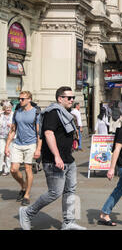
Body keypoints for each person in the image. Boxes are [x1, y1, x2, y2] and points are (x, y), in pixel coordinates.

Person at [19, 86, 86, 230]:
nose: (72, 100)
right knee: (54, 192)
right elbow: (48, 134)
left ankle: (68, 222)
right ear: (60, 98)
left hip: (68, 159)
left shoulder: (65, 114)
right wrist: (57, 156)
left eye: (73, 97)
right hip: (54, 160)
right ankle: (27, 213)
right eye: (69, 98)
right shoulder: (53, 113)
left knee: (70, 191)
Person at [5, 91, 41, 206]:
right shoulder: (17, 112)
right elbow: (12, 130)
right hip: (18, 143)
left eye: (22, 99)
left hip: (31, 144)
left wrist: (38, 148)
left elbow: (39, 133)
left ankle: (26, 195)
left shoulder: (36, 113)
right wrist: (7, 146)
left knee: (27, 169)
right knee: (13, 170)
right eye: (19, 99)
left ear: (29, 99)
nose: (20, 101)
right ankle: (23, 186)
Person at [0, 102, 13, 176]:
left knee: (8, 153)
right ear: (4, 109)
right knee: (1, 152)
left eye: (10, 108)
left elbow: (16, 125)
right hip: (2, 136)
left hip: (10, 136)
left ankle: (7, 169)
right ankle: (0, 168)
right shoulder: (1, 115)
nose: (9, 109)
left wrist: (11, 125)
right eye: (7, 108)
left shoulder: (13, 115)